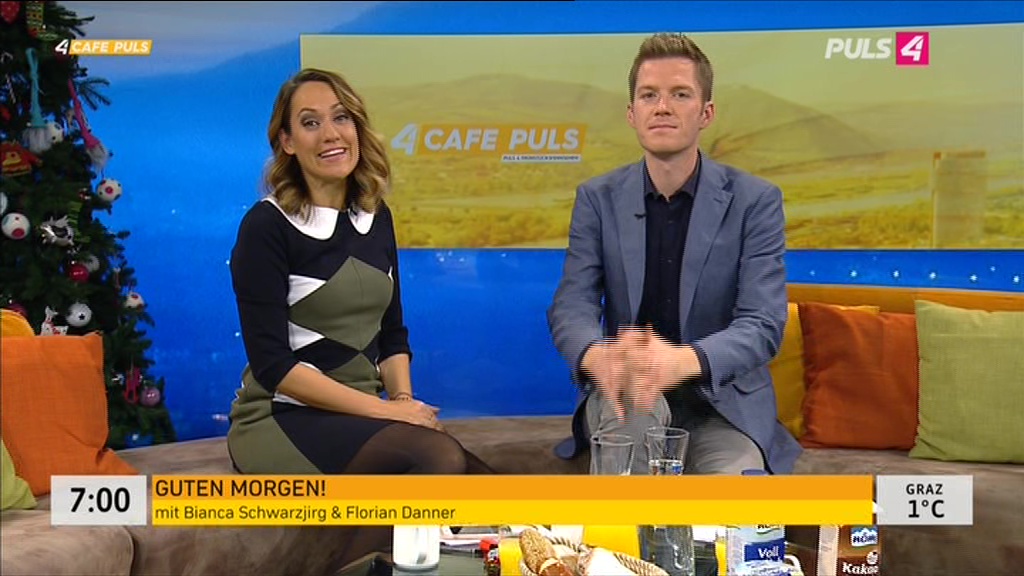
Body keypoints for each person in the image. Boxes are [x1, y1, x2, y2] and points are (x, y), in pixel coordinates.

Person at [547, 33, 801, 476]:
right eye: (649, 95)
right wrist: (596, 356)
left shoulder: (755, 201)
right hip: (630, 393)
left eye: (680, 94)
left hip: (722, 405)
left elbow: (762, 324)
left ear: (706, 113)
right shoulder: (597, 199)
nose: (662, 107)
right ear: (632, 113)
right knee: (632, 440)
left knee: (732, 497)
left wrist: (680, 362)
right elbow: (572, 305)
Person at [227, 68, 494, 481]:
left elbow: (392, 335)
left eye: (341, 117)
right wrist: (390, 412)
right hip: (281, 417)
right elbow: (273, 367)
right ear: (287, 142)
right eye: (310, 123)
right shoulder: (266, 226)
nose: (330, 134)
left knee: (487, 485)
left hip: (363, 418)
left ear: (357, 127)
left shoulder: (376, 216)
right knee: (439, 459)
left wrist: (402, 401)